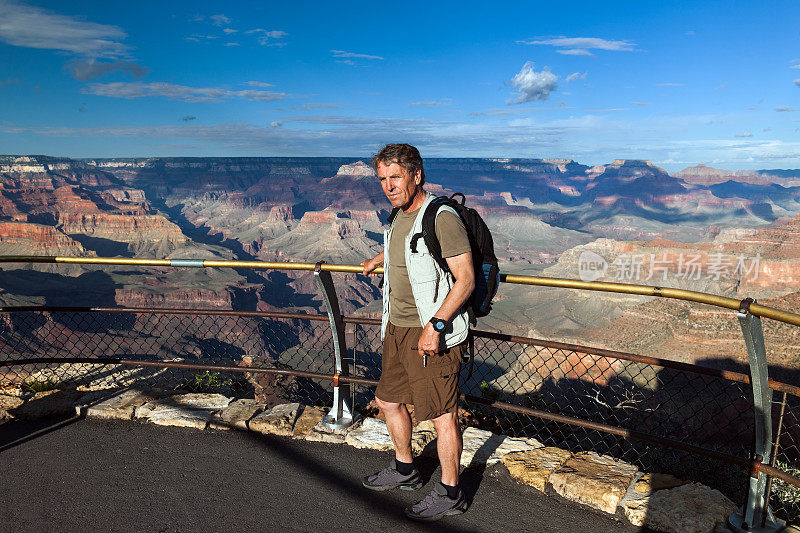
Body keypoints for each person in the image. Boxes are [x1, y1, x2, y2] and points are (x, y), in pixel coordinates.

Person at [360, 143, 475, 522]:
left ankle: (450, 491)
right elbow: (410, 250)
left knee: (442, 416)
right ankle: (406, 470)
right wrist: (380, 259)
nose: (388, 186)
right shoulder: (397, 215)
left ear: (416, 175)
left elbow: (466, 279)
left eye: (395, 177)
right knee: (389, 401)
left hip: (430, 334)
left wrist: (436, 325)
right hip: (395, 327)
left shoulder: (440, 217)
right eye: (382, 179)